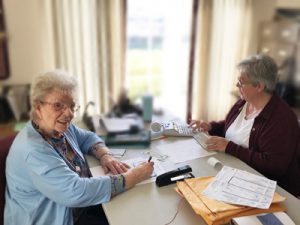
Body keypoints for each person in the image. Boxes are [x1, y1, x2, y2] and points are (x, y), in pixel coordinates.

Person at [4, 70, 154, 225]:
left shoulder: (59, 128)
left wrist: (105, 155)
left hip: (79, 207)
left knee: (132, 210)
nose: (69, 114)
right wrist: (134, 176)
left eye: (72, 106)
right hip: (58, 218)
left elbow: (88, 137)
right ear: (37, 107)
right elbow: (75, 192)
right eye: (58, 105)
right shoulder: (34, 151)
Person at [189, 54, 300, 197]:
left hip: (267, 190)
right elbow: (232, 127)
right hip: (231, 172)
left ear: (259, 86)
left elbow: (273, 166)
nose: (237, 85)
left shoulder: (281, 120)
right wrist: (210, 126)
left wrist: (229, 147)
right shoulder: (245, 101)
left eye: (241, 82)